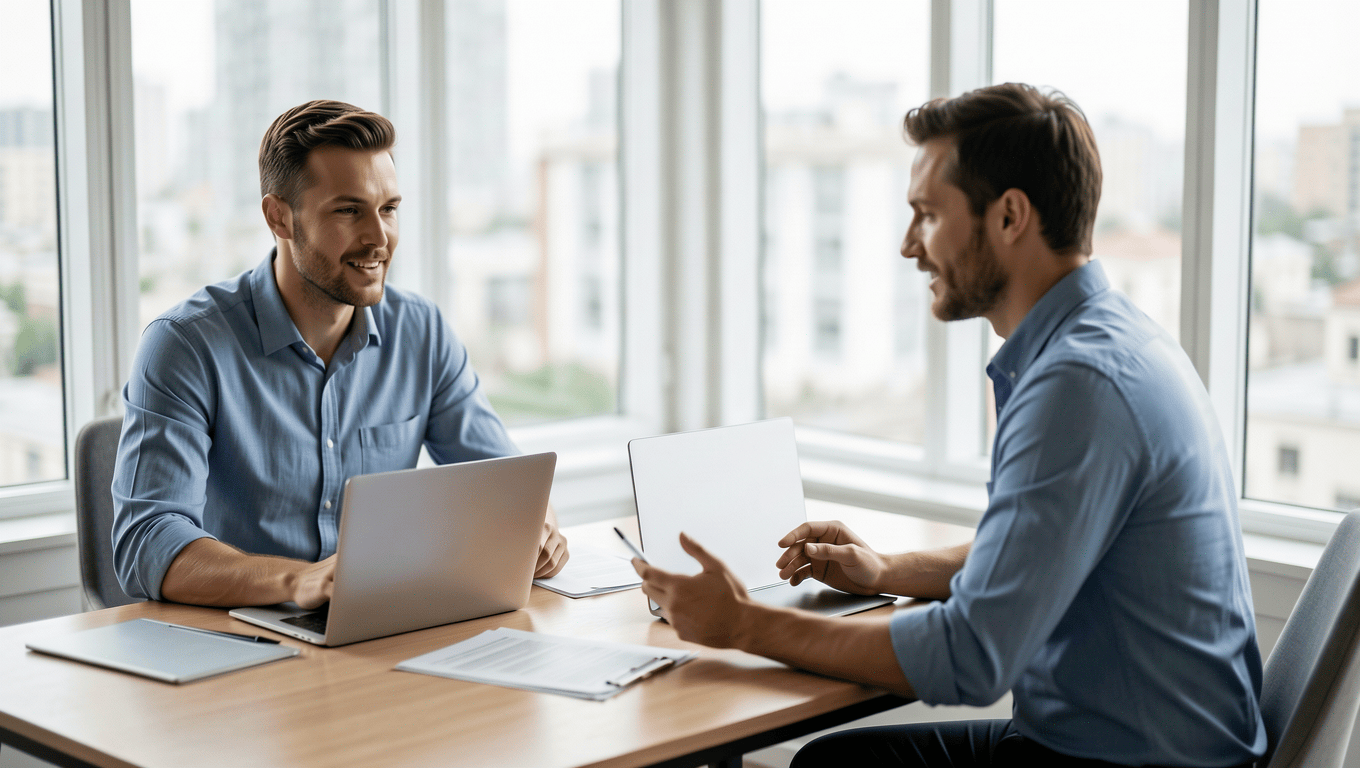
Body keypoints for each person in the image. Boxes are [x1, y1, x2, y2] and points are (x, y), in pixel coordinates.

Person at [633, 83, 1266, 768]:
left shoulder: (1078, 387)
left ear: (1010, 216)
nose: (910, 246)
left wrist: (743, 624)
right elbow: (1036, 552)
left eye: (927, 215)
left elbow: (972, 657)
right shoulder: (1110, 343)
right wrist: (883, 570)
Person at [112, 100, 569, 609]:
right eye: (349, 211)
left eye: (389, 209)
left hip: (375, 625)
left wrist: (538, 525)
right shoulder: (184, 345)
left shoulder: (422, 332)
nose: (379, 239)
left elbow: (506, 485)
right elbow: (146, 541)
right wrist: (298, 581)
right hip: (239, 640)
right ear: (278, 218)